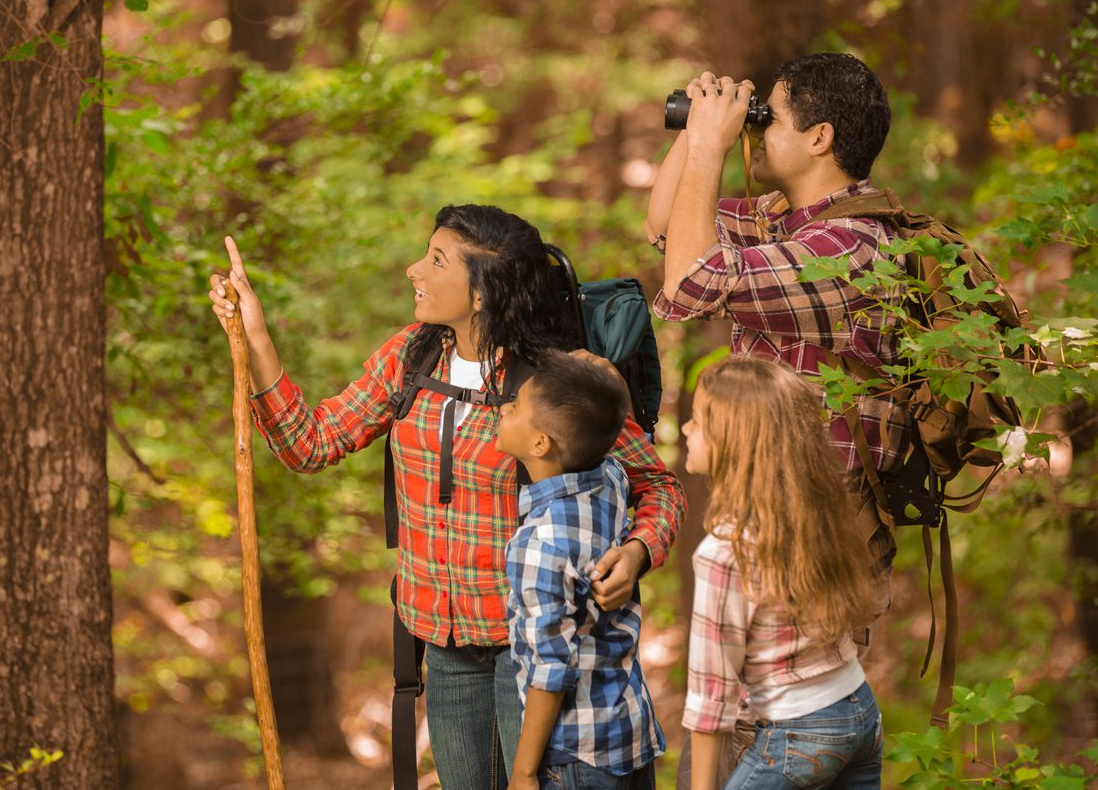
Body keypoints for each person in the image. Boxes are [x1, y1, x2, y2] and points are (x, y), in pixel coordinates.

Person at [207, 204, 683, 790]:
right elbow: (311, 443)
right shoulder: (412, 357)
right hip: (444, 644)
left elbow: (656, 485)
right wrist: (254, 333)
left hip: (531, 650)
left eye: (436, 260)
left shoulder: (549, 380)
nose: (414, 270)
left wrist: (638, 551)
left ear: (481, 293)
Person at [645, 53, 907, 629]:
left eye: (772, 116)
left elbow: (690, 283)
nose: (757, 127)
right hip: (775, 520)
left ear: (819, 137)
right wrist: (699, 131)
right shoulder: (791, 219)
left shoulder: (850, 247)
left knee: (799, 715)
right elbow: (667, 227)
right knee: (753, 714)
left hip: (816, 541)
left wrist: (714, 146)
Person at [681, 356, 883, 790]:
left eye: (697, 421)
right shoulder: (812, 514)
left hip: (801, 732)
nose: (684, 429)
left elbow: (710, 695)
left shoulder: (725, 550)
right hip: (860, 709)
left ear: (733, 442)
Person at [497, 349, 665, 790]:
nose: (503, 407)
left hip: (574, 754)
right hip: (629, 729)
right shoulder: (611, 480)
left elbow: (550, 669)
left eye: (514, 406)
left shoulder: (538, 544)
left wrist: (524, 770)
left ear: (540, 444)